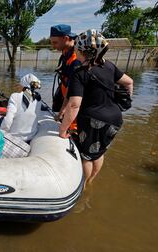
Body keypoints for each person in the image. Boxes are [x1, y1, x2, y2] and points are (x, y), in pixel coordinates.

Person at [59, 29, 134, 187]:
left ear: (81, 51)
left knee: (87, 156)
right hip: (115, 119)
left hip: (93, 120)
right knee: (99, 152)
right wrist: (124, 102)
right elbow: (129, 82)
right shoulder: (109, 66)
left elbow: (74, 104)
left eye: (76, 50)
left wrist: (63, 130)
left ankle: (85, 184)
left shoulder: (80, 73)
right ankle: (92, 181)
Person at [50, 24, 80, 131]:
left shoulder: (76, 58)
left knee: (71, 127)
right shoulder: (65, 50)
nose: (53, 46)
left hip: (72, 98)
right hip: (63, 92)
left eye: (55, 42)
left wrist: (63, 109)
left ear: (66, 38)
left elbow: (72, 88)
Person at [0, 74, 42, 142]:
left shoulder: (15, 96)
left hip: (14, 138)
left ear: (23, 85)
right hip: (30, 137)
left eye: (20, 84)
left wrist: (0, 133)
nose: (18, 86)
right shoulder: (38, 100)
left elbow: (8, 121)